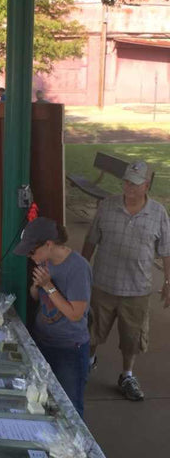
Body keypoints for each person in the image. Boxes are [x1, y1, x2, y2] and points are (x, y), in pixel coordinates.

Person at [82, 160, 170, 401]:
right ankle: (88, 362)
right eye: (126, 182)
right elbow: (91, 239)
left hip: (137, 288)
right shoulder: (107, 206)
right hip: (103, 283)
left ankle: (127, 375)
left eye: (135, 183)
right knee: (92, 329)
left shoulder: (158, 213)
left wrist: (168, 283)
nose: (128, 187)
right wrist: (81, 268)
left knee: (132, 337)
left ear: (147, 185)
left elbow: (165, 250)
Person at [14, 217, 92, 418]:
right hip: (42, 340)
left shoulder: (78, 268)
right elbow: (37, 298)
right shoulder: (44, 262)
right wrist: (37, 287)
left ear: (49, 244)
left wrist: (48, 286)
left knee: (69, 407)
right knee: (39, 400)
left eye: (32, 251)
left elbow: (75, 314)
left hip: (68, 348)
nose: (31, 257)